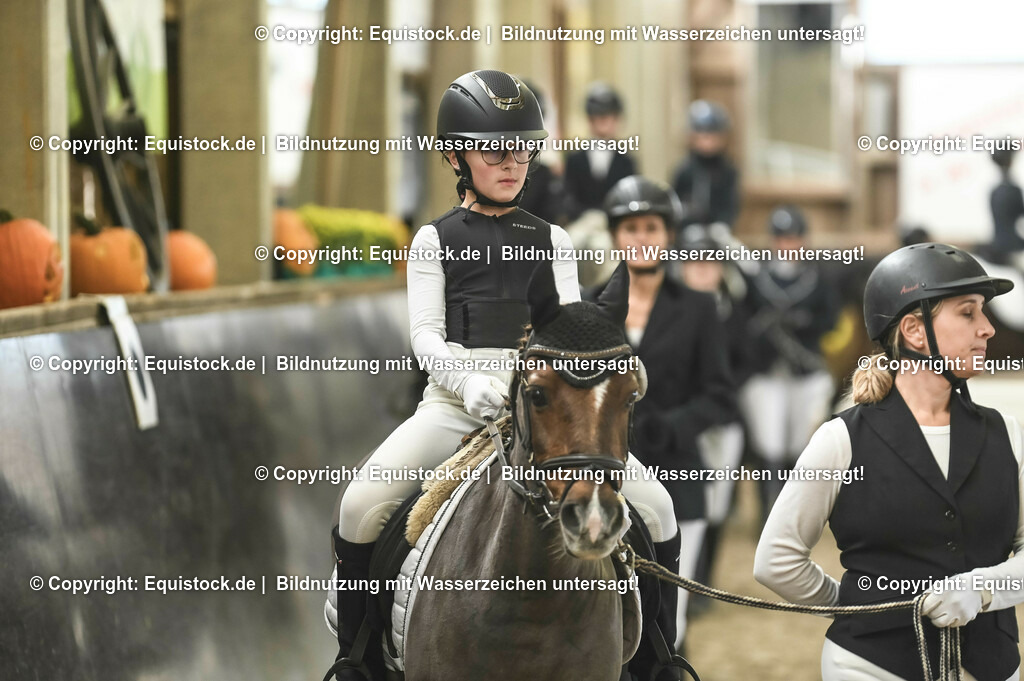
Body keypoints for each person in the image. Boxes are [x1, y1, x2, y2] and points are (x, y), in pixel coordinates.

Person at [324, 70, 680, 680]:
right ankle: (357, 664)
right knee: (361, 504)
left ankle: (658, 663)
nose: (513, 163)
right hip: (452, 406)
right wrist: (468, 382)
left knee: (659, 508)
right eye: (495, 151)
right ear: (456, 156)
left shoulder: (553, 239)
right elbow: (425, 336)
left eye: (522, 149)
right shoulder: (433, 239)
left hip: (542, 407)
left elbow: (573, 332)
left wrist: (614, 361)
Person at [754, 243, 1023, 681]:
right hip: (868, 667)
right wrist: (858, 608)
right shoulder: (839, 440)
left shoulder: (1007, 434)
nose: (988, 328)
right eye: (968, 313)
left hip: (991, 666)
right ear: (915, 331)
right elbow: (776, 560)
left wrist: (982, 590)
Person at [591, 176, 737, 652]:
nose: (641, 238)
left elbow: (720, 395)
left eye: (651, 227)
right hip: (603, 478)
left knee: (668, 623)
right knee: (603, 617)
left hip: (678, 475)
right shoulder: (588, 305)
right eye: (630, 228)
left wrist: (671, 426)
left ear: (668, 234)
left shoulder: (698, 307)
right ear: (615, 235)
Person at [739, 205, 841, 521]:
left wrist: (802, 322)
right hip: (766, 372)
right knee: (768, 443)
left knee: (799, 445)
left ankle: (792, 515)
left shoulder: (818, 277)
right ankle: (766, 516)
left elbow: (831, 320)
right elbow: (743, 322)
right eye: (782, 239)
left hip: (804, 370)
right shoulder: (756, 277)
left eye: (793, 238)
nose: (788, 245)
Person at [675, 223, 755, 607]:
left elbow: (746, 359)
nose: (703, 269)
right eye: (695, 262)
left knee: (717, 504)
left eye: (710, 262)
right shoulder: (671, 309)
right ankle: (682, 579)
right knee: (684, 499)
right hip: (683, 421)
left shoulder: (732, 310)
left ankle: (704, 581)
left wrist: (720, 391)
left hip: (723, 421)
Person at [564, 82, 637, 221]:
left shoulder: (626, 161)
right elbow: (568, 197)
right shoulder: (574, 159)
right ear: (590, 119)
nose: (603, 122)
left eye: (607, 116)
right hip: (581, 223)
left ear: (616, 119)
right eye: (598, 116)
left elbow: (630, 199)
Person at [671, 100, 740, 230]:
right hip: (686, 230)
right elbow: (674, 204)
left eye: (713, 134)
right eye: (703, 134)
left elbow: (730, 206)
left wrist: (721, 226)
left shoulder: (728, 171)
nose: (708, 140)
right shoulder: (684, 170)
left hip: (718, 230)